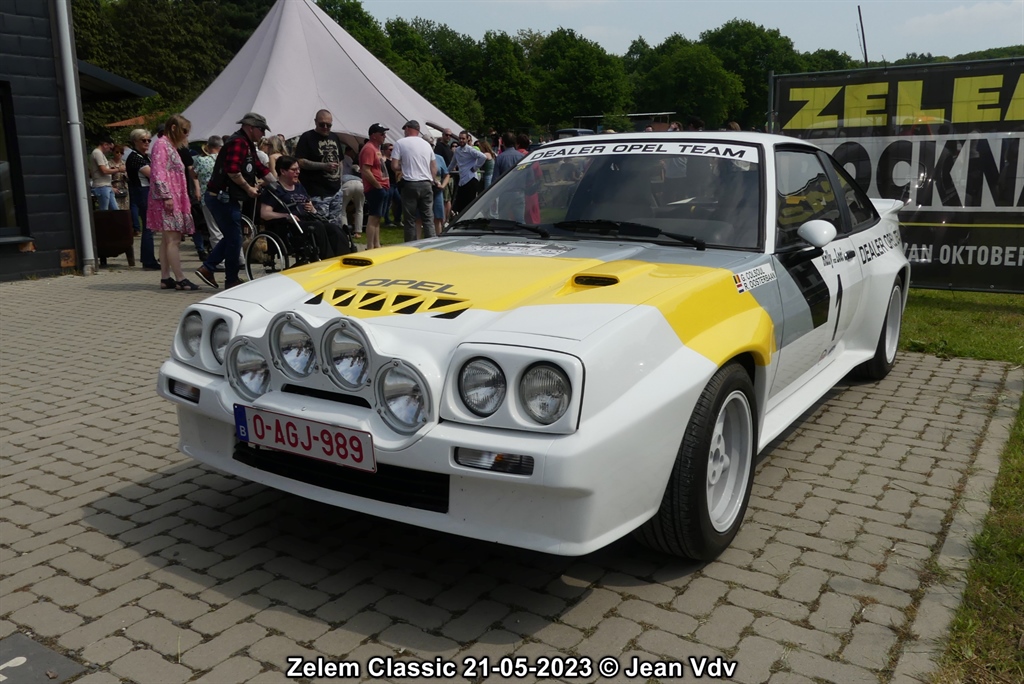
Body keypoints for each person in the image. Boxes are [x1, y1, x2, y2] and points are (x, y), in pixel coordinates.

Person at [195, 112, 275, 290]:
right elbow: (232, 170)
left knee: (234, 237)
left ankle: (209, 268)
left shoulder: (247, 143)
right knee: (234, 238)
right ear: (250, 127)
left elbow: (259, 167)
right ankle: (229, 278)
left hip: (224, 197)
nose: (263, 134)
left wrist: (277, 185)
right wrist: (248, 188)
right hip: (221, 197)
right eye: (261, 129)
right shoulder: (238, 142)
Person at [260, 156, 348, 259]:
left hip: (306, 221)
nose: (298, 172)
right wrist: (286, 216)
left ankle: (344, 258)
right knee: (318, 227)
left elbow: (309, 204)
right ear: (283, 171)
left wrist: (312, 209)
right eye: (294, 170)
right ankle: (327, 259)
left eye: (298, 169)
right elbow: (265, 213)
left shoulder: (299, 187)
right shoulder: (274, 190)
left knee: (333, 228)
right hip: (289, 227)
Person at [148, 114, 199, 290]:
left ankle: (165, 277)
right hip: (169, 198)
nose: (186, 134)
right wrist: (166, 195)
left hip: (174, 196)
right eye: (184, 131)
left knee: (167, 239)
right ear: (174, 128)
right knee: (173, 239)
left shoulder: (170, 146)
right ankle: (180, 278)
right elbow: (158, 172)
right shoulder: (162, 145)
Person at [294, 110, 345, 226]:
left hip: (336, 190)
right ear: (315, 122)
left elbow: (340, 160)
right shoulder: (307, 137)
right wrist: (323, 166)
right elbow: (300, 161)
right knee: (321, 225)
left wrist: (340, 182)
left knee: (336, 225)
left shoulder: (334, 137)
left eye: (329, 125)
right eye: (322, 124)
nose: (325, 127)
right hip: (317, 192)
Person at [390, 120, 437, 242]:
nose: (404, 132)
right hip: (426, 182)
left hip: (410, 183)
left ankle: (410, 245)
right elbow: (434, 167)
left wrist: (404, 167)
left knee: (409, 219)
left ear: (408, 128)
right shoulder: (427, 145)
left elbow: (394, 166)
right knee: (428, 218)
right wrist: (432, 180)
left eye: (404, 129)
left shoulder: (400, 143)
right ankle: (431, 244)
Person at [125, 128, 159, 270]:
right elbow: (153, 174)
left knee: (149, 226)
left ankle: (149, 258)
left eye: (149, 140)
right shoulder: (135, 158)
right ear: (135, 141)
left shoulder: (145, 156)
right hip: (142, 191)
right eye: (143, 140)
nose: (147, 143)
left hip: (147, 190)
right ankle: (148, 260)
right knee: (148, 226)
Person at [360, 123, 390, 250]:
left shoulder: (376, 149)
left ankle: (376, 244)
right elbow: (365, 170)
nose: (384, 136)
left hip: (382, 186)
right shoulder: (369, 148)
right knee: (373, 217)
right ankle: (370, 246)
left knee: (377, 217)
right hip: (375, 188)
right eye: (382, 134)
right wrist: (377, 186)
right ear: (373, 135)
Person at [451, 131, 487, 215]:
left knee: (469, 205)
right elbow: (453, 163)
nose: (461, 140)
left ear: (467, 139)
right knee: (460, 205)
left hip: (471, 179)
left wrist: (475, 168)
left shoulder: (470, 150)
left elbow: (483, 157)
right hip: (462, 180)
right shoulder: (457, 150)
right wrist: (446, 172)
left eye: (463, 138)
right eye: (460, 138)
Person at [88, 133, 122, 211]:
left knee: (115, 210)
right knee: (104, 210)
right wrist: (119, 169)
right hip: (101, 186)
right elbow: (104, 170)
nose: (110, 151)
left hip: (106, 185)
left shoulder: (100, 154)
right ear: (105, 145)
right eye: (110, 148)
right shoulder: (97, 153)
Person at [340, 147, 363, 239]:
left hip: (345, 182)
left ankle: (346, 232)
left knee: (342, 209)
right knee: (359, 208)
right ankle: (358, 232)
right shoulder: (349, 159)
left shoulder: (341, 160)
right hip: (359, 182)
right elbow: (356, 168)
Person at [381, 141, 401, 227]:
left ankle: (397, 219)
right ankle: (387, 221)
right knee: (388, 203)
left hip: (394, 183)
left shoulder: (392, 160)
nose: (392, 151)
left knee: (399, 201)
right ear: (385, 150)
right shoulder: (383, 160)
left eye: (393, 149)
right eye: (390, 149)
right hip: (388, 184)